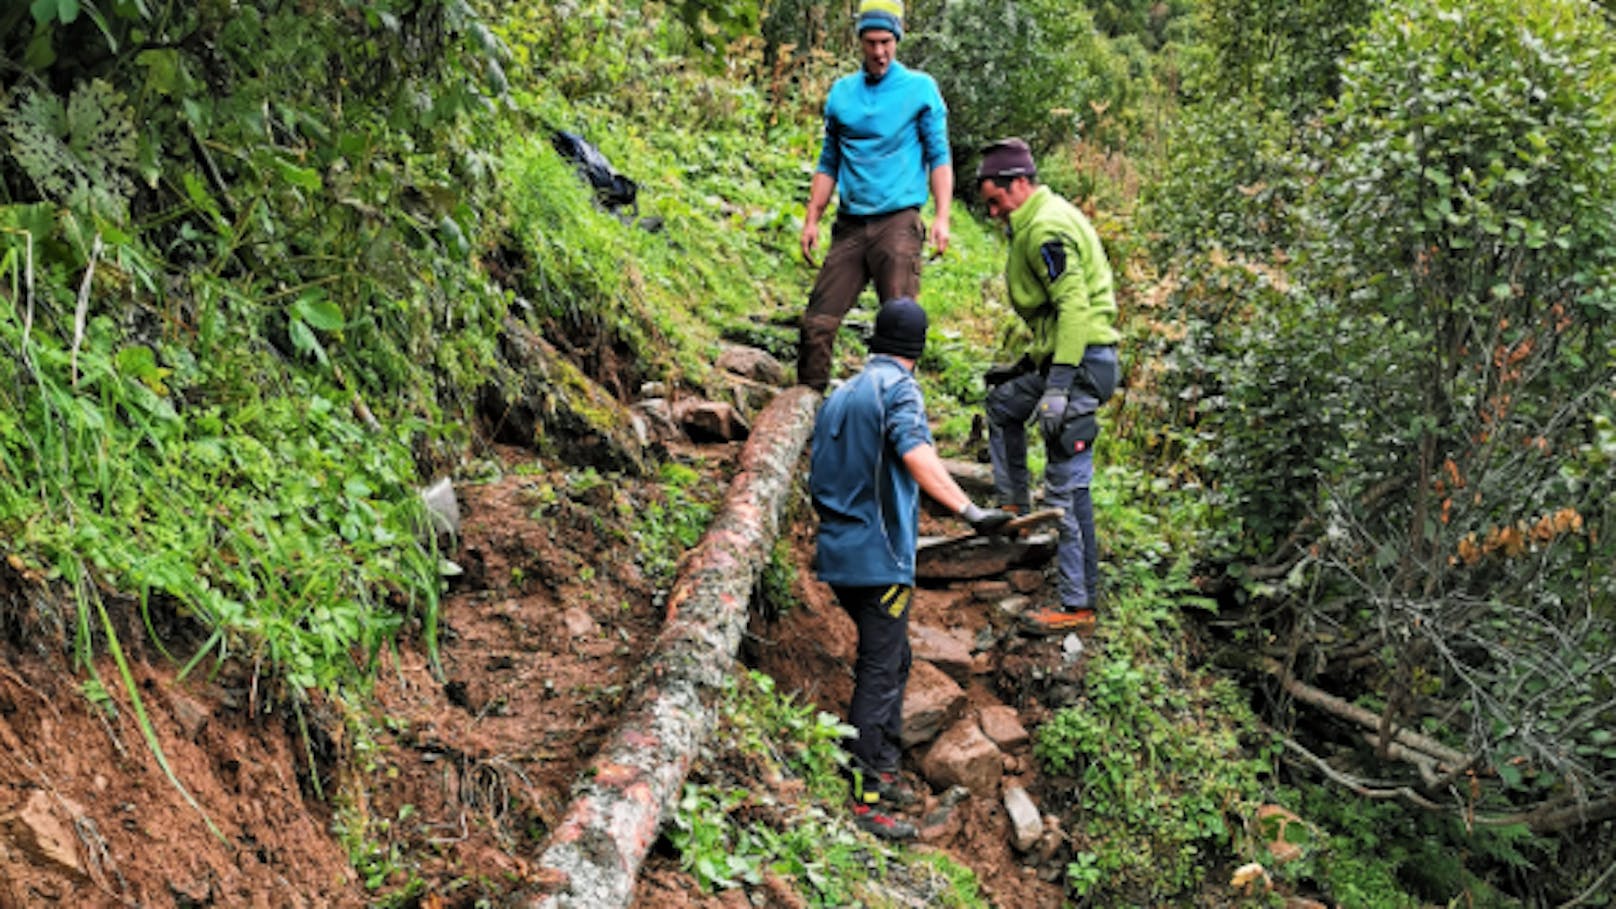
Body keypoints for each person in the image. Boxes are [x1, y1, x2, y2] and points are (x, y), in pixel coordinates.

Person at [809, 298, 1010, 839]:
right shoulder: (899, 390)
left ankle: (886, 769)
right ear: (917, 351)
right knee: (880, 670)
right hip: (880, 561)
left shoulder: (841, 394)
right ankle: (867, 796)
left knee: (893, 660)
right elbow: (917, 454)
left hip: (839, 553)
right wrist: (968, 510)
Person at [974, 138, 1122, 636]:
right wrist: (1024, 370)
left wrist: (1057, 386)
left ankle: (1077, 604)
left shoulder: (1046, 228)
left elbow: (1076, 309)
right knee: (1003, 404)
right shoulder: (1035, 219)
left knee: (1067, 479)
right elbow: (1054, 321)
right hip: (1065, 357)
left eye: (996, 201)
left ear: (1020, 183)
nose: (994, 213)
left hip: (1084, 363)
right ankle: (1013, 505)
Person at [795, 0, 953, 392]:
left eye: (886, 42)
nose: (879, 52)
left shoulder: (920, 89)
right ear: (859, 42)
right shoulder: (842, 94)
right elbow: (828, 160)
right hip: (850, 225)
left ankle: (897, 422)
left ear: (897, 39)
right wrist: (812, 219)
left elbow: (939, 156)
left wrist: (942, 217)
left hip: (898, 222)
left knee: (899, 326)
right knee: (817, 323)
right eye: (871, 42)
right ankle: (810, 410)